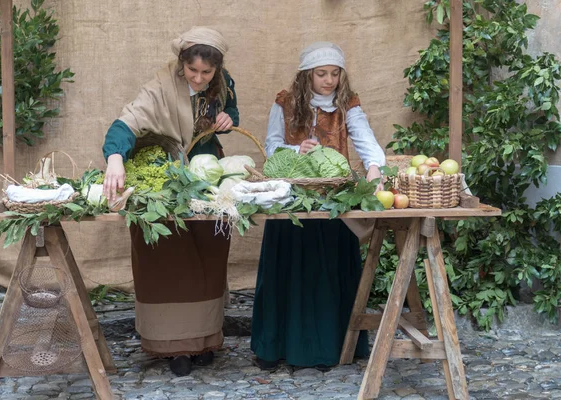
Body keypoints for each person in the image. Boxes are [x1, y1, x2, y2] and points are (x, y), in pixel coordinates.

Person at [101, 26, 239, 377]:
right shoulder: (160, 87)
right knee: (169, 264)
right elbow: (126, 122)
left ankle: (206, 339)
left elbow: (232, 113)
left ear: (217, 70)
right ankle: (172, 346)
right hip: (165, 183)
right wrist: (115, 157)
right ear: (182, 65)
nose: (198, 77)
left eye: (206, 73)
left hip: (207, 185)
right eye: (192, 71)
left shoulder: (223, 85)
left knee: (208, 260)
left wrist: (227, 121)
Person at [250, 42, 385, 371]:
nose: (328, 80)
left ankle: (329, 348)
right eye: (321, 74)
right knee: (289, 272)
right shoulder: (284, 103)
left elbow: (366, 141)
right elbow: (271, 148)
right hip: (291, 203)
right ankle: (275, 347)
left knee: (324, 275)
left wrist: (375, 170)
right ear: (306, 75)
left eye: (334, 73)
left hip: (331, 203)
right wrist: (297, 150)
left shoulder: (347, 105)